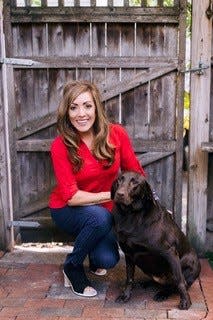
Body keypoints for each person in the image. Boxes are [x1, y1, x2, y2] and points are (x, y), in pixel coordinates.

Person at [49, 80, 146, 297]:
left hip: (104, 212)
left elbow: (136, 173)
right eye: (73, 107)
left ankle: (93, 254)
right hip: (67, 209)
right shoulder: (60, 146)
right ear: (66, 112)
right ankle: (72, 267)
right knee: (100, 218)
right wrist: (112, 196)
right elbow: (72, 197)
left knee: (108, 260)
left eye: (87, 106)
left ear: (96, 108)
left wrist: (151, 203)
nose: (81, 114)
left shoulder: (116, 134)